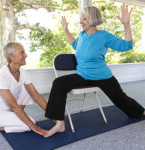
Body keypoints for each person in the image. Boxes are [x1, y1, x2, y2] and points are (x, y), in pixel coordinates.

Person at [44, 4, 145, 137]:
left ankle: (142, 111)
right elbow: (75, 45)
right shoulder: (82, 35)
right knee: (59, 83)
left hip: (102, 76)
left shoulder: (104, 35)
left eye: (84, 19)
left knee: (121, 99)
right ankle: (59, 123)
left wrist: (126, 25)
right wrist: (66, 30)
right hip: (83, 75)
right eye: (81, 19)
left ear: (93, 19)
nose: (80, 22)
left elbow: (126, 46)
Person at [0, 42, 47, 136]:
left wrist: (54, 117)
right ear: (11, 57)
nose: (26, 55)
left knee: (26, 90)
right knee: (28, 124)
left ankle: (17, 116)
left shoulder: (23, 72)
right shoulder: (1, 75)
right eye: (22, 53)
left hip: (9, 109)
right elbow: (14, 105)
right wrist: (32, 126)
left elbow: (37, 96)